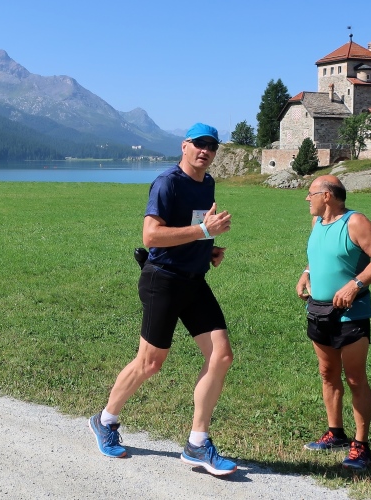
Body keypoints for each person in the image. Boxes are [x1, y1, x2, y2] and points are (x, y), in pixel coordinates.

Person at [89, 123, 237, 476]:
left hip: (194, 281)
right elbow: (152, 236)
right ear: (185, 146)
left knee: (221, 355)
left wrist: (207, 249)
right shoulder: (167, 183)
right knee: (150, 363)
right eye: (199, 144)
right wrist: (204, 231)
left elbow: (191, 229)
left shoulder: (208, 183)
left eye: (212, 146)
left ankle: (197, 443)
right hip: (163, 281)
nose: (205, 151)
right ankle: (105, 420)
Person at [295, 175, 371, 471]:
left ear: (326, 196)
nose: (307, 198)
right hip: (318, 310)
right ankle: (335, 433)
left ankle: (361, 445)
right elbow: (318, 255)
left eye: (311, 193)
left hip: (352, 314)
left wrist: (355, 285)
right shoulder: (317, 222)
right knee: (327, 374)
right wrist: (306, 273)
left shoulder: (355, 222)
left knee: (355, 379)